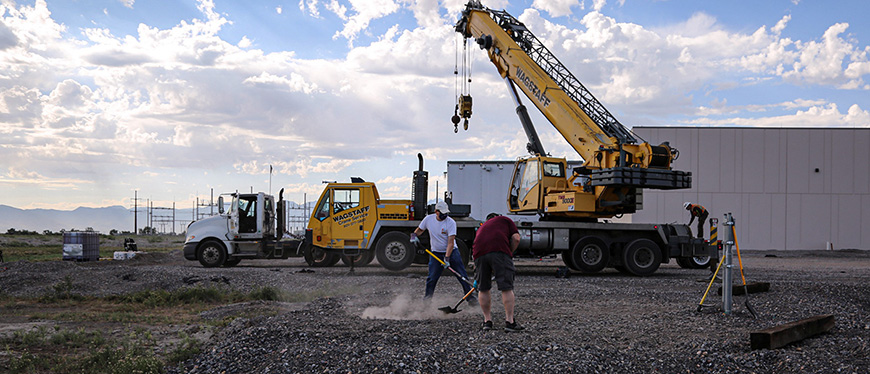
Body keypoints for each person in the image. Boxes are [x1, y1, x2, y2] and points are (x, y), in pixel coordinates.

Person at [412, 201, 475, 303]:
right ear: (436, 212)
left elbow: (450, 243)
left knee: (462, 276)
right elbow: (419, 230)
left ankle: (471, 298)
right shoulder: (428, 219)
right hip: (435, 253)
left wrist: (447, 258)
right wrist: (413, 236)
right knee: (432, 278)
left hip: (452, 252)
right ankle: (427, 300)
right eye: (442, 213)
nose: (444, 215)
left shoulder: (451, 223)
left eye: (446, 213)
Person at [472, 213, 523, 332]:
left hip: (479, 253)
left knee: (483, 288)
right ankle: (510, 322)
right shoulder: (505, 220)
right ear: (498, 216)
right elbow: (516, 238)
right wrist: (508, 253)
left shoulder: (482, 227)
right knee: (506, 287)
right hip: (499, 250)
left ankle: (487, 322)